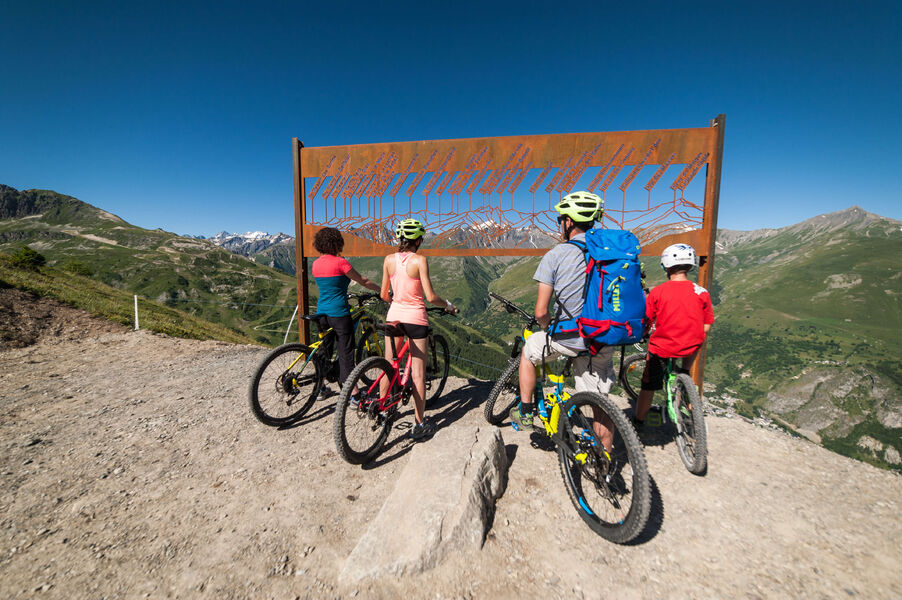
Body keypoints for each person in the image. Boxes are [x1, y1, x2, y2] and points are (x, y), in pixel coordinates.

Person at [510, 191, 617, 448]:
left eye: (561, 218)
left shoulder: (556, 255)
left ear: (568, 221)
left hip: (570, 336)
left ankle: (525, 412)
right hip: (605, 335)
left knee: (528, 352)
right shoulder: (610, 251)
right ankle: (605, 463)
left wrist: (549, 329)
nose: (560, 223)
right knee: (598, 403)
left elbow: (541, 312)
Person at [380, 218, 458, 441]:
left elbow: (384, 295)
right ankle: (419, 423)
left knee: (388, 365)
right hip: (416, 319)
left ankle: (382, 409)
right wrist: (449, 306)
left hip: (393, 316)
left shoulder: (388, 260)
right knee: (418, 373)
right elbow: (431, 297)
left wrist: (397, 301)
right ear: (419, 240)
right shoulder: (420, 260)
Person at [634, 243, 714, 429]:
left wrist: (643, 334)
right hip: (690, 346)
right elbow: (707, 326)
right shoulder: (702, 292)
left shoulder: (658, 292)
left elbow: (646, 320)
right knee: (697, 339)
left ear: (666, 265)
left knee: (648, 385)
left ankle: (638, 420)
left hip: (663, 347)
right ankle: (685, 374)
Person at [311, 227, 381, 392]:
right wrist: (382, 290)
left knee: (325, 350)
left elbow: (330, 286)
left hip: (321, 312)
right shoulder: (340, 262)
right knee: (346, 352)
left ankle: (320, 387)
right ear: (337, 243)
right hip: (339, 313)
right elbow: (363, 281)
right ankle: (353, 393)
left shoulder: (315, 264)